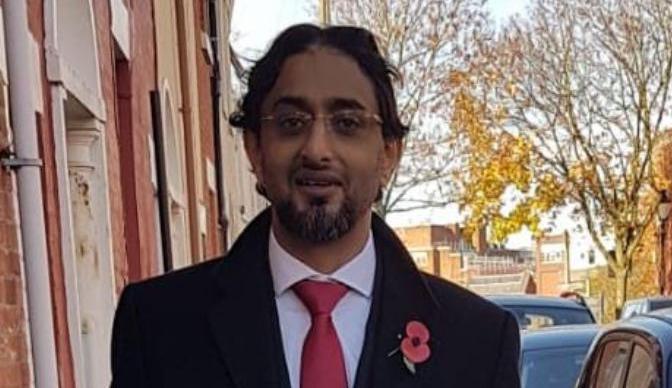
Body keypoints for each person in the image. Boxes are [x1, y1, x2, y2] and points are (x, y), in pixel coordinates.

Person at [110, 23, 520, 388]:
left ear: (388, 154)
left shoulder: (479, 341)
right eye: (291, 123)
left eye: (347, 124)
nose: (317, 149)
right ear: (254, 148)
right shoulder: (158, 326)